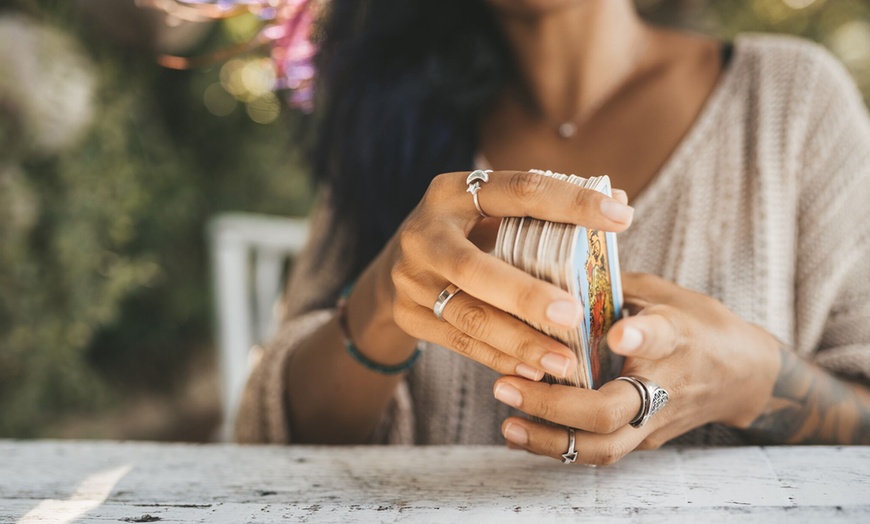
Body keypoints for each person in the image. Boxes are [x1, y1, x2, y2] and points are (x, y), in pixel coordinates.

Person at [235, 0, 870, 463]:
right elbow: (272, 437)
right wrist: (383, 300)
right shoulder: (386, 122)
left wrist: (749, 378)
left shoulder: (792, 102)